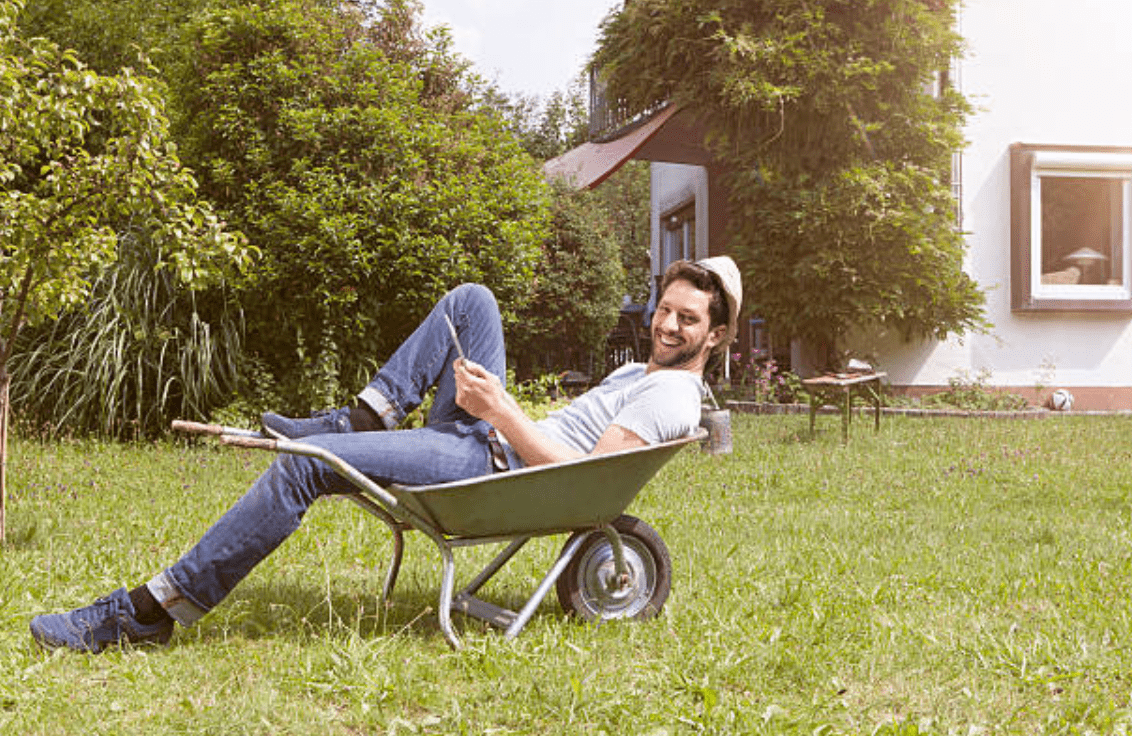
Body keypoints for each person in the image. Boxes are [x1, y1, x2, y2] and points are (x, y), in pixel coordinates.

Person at [29, 257, 742, 653]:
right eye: (666, 308)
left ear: (713, 335)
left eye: (688, 318)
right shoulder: (644, 372)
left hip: (499, 470)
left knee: (305, 461)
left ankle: (151, 610)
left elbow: (580, 482)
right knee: (472, 301)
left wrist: (499, 411)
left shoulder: (672, 399)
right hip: (489, 440)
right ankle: (361, 415)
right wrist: (493, 409)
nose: (669, 323)